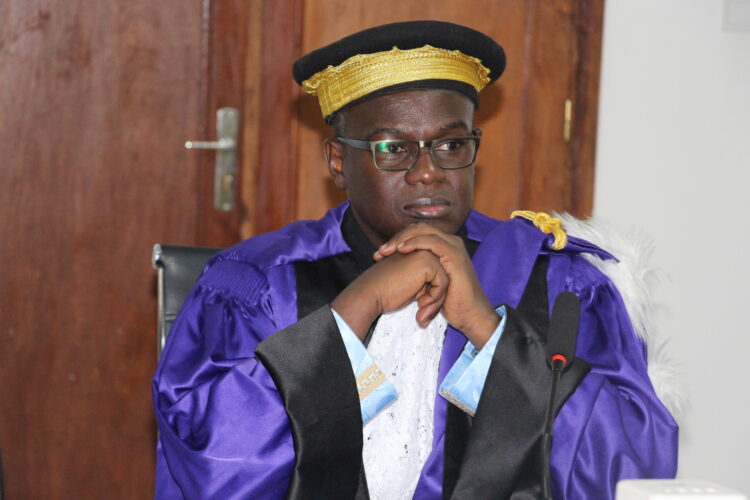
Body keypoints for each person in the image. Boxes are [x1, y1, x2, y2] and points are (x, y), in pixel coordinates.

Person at [153, 21, 678, 499]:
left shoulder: (557, 281)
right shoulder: (261, 282)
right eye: (393, 149)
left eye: (450, 145)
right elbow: (212, 462)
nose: (428, 172)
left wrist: (490, 333)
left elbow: (634, 468)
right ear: (338, 161)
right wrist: (355, 310)